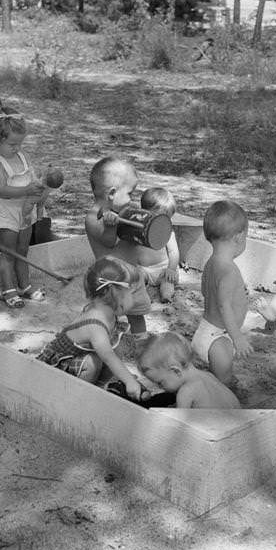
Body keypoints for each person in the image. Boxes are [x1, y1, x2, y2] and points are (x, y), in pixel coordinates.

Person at [36, 256, 143, 399]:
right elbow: (108, 357)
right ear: (116, 293)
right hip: (57, 368)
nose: (135, 298)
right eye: (131, 292)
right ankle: (78, 398)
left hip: (78, 359)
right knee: (94, 362)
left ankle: (98, 387)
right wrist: (129, 380)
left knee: (116, 347)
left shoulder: (107, 312)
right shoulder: (95, 323)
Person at [0, 108, 48, 307]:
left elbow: (32, 177)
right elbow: (2, 190)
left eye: (20, 143)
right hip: (6, 212)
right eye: (12, 144)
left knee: (23, 249)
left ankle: (25, 286)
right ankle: (8, 290)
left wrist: (39, 186)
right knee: (9, 252)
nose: (17, 148)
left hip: (25, 210)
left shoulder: (22, 156)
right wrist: (28, 189)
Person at [84, 156, 152, 336]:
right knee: (107, 312)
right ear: (112, 193)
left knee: (136, 314)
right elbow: (108, 242)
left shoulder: (122, 212)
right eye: (130, 193)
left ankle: (141, 339)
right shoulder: (93, 217)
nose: (132, 199)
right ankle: (102, 337)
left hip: (133, 275)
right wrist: (110, 226)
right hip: (111, 281)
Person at [191, 200, 252, 385]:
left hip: (205, 331)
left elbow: (206, 291)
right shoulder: (230, 270)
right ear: (239, 237)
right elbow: (224, 307)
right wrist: (237, 338)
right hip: (219, 339)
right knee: (223, 384)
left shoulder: (211, 263)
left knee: (216, 379)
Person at [138, 332, 240, 409]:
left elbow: (179, 426)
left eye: (160, 383)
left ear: (176, 371)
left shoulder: (186, 392)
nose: (161, 388)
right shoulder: (209, 376)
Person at [115, 187, 180, 303]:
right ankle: (143, 297)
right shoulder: (138, 230)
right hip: (144, 269)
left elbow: (173, 252)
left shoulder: (167, 232)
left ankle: (166, 295)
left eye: (168, 218)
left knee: (167, 282)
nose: (164, 222)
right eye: (159, 218)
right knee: (136, 278)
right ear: (145, 214)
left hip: (163, 269)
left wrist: (171, 269)